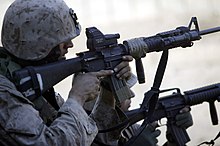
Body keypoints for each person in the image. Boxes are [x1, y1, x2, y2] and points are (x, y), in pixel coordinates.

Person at [0, 0, 133, 145]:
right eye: (63, 40)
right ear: (39, 43)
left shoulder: (32, 85)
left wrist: (108, 90)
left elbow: (89, 140)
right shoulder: (4, 94)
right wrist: (77, 98)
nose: (70, 45)